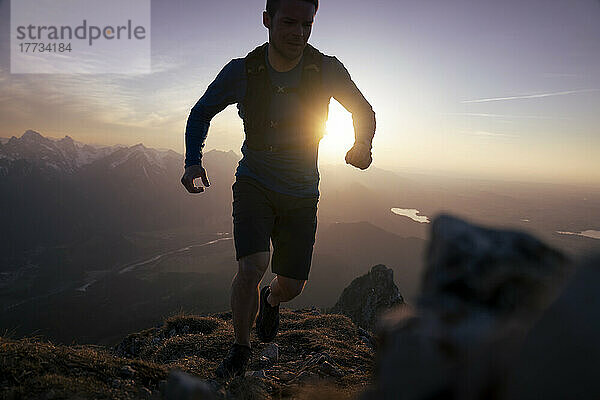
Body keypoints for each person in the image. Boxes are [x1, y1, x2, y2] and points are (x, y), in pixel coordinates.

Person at [180, 0, 375, 379]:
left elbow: (362, 110)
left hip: (303, 193)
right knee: (252, 265)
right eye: (289, 22)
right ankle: (240, 349)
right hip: (254, 180)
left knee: (292, 286)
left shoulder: (326, 69)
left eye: (307, 24)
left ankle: (271, 301)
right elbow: (201, 111)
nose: (298, 33)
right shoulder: (243, 72)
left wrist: (362, 144)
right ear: (267, 20)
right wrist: (192, 159)